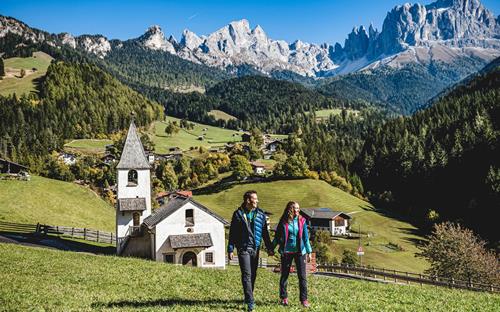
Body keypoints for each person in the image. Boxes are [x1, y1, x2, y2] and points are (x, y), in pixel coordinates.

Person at [228, 190, 274, 312]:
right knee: (246, 274)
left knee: (253, 274)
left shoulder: (260, 214)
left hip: (256, 248)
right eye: (255, 199)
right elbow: (232, 232)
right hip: (243, 248)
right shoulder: (238, 214)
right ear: (248, 200)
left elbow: (265, 233)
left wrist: (270, 248)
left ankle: (249, 296)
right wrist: (230, 249)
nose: (257, 201)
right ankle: (250, 301)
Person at [272, 201, 312, 308]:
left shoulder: (302, 221)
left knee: (302, 276)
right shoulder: (283, 222)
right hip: (287, 252)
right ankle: (283, 298)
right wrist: (271, 249)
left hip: (300, 252)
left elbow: (305, 238)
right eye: (296, 208)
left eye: (299, 208)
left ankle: (304, 300)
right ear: (290, 209)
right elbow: (276, 238)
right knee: (284, 275)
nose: (298, 210)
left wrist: (309, 252)